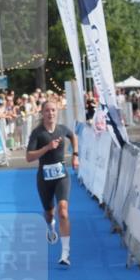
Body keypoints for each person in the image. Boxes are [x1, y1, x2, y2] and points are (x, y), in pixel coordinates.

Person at [26, 101, 79, 266]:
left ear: (57, 112)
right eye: (47, 110)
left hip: (62, 176)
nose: (51, 113)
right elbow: (29, 157)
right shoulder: (37, 133)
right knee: (49, 214)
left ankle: (65, 254)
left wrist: (75, 155)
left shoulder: (62, 129)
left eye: (53, 110)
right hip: (44, 178)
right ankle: (51, 227)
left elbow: (73, 136)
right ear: (42, 113)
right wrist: (47, 148)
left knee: (63, 211)